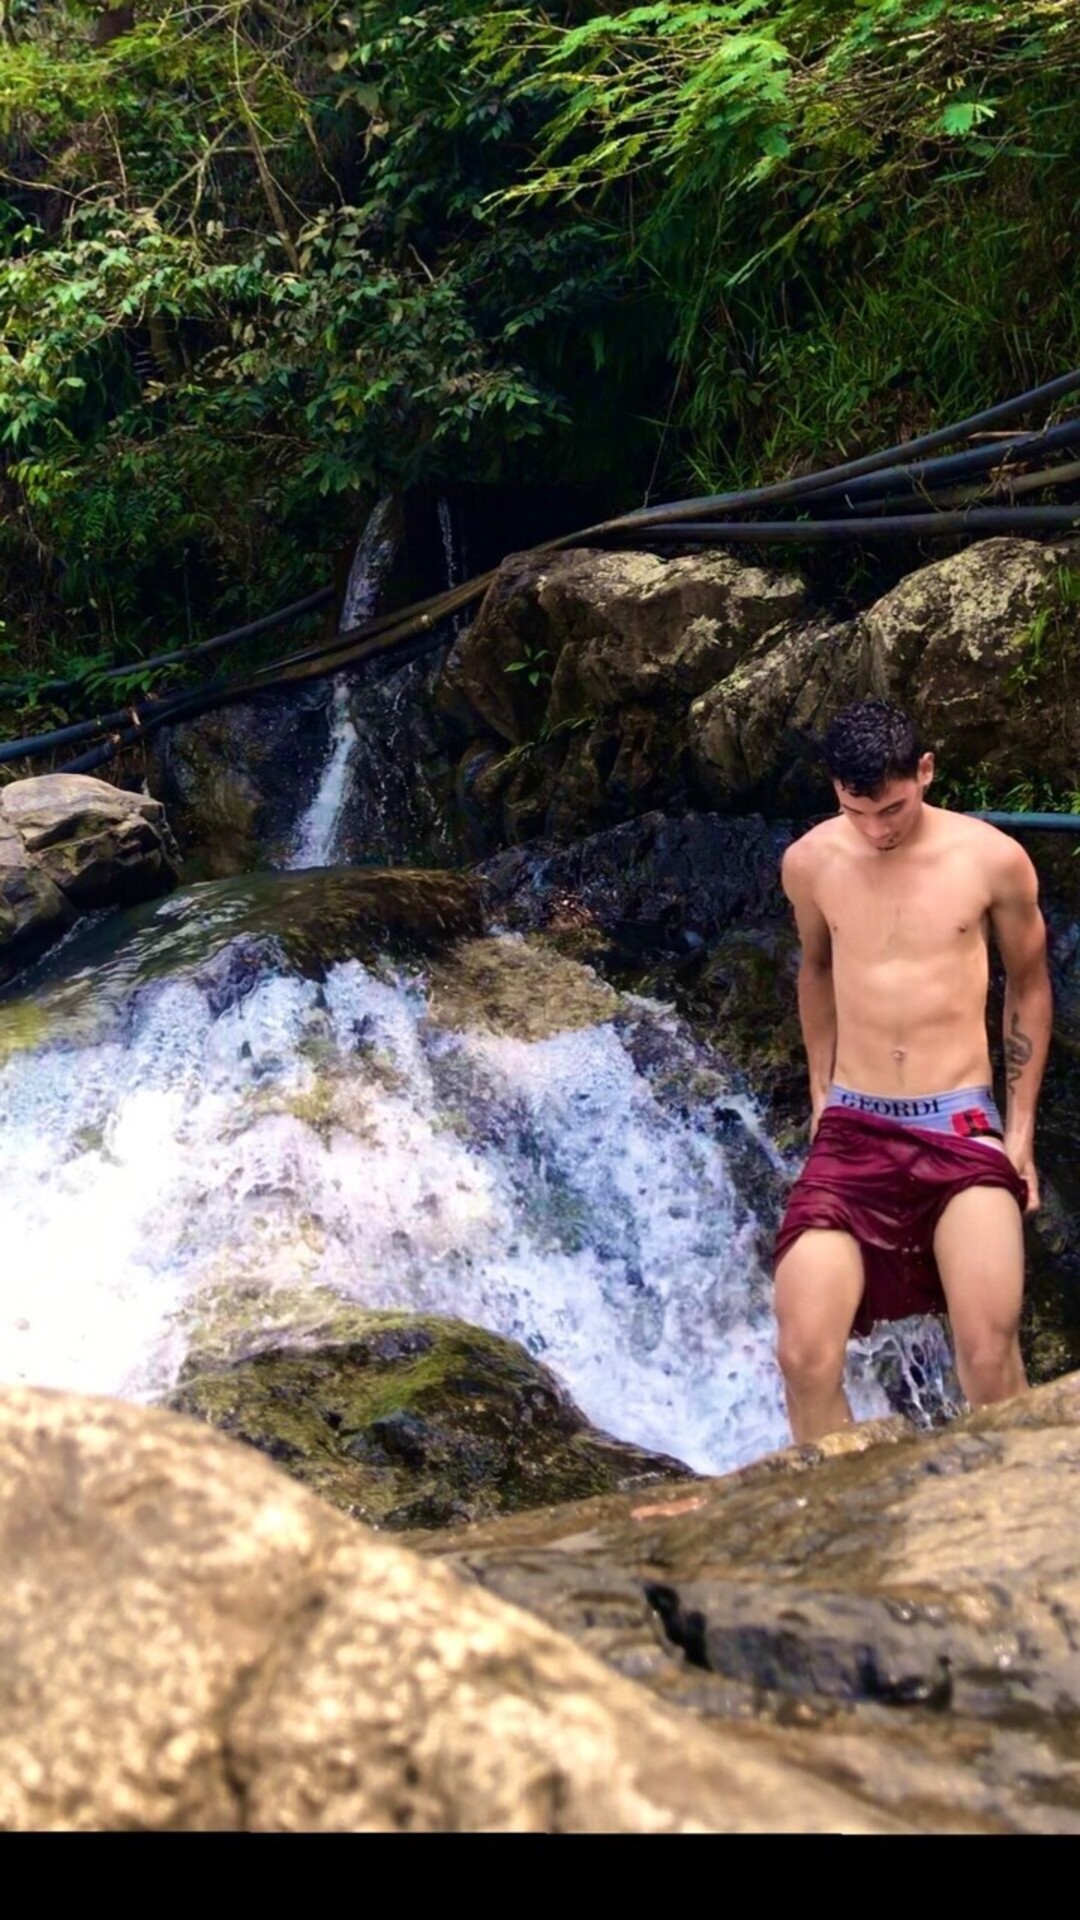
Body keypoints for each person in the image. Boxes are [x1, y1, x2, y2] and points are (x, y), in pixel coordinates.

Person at [774, 698, 1052, 1443]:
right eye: (857, 811)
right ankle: (847, 1508)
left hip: (959, 1124)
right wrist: (820, 1089)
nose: (878, 830)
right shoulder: (810, 863)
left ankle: (1020, 1503)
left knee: (988, 1355)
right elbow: (816, 970)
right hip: (854, 1124)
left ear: (925, 772)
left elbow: (1029, 985)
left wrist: (1019, 1134)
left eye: (892, 809)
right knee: (803, 1352)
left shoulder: (991, 859)